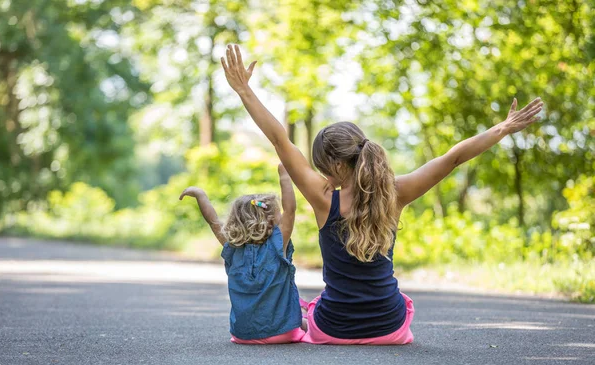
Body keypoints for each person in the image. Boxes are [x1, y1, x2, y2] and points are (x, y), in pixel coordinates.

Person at [221, 44, 543, 344]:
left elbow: (280, 140)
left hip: (334, 329)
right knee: (395, 301)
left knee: (310, 307)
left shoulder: (323, 197)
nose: (319, 175)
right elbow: (453, 158)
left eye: (321, 168)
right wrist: (501, 128)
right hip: (390, 328)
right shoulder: (396, 193)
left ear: (334, 165)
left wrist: (244, 90)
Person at [179, 164, 306, 344]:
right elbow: (291, 210)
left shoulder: (232, 247)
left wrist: (200, 195)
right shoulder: (279, 245)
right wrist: (285, 173)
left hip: (242, 336)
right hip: (282, 334)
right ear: (273, 220)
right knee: (311, 321)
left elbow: (214, 222)